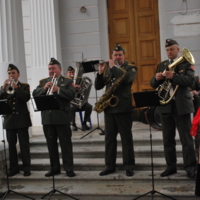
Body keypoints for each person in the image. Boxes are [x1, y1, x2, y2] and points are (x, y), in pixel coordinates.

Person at [150, 39, 197, 178]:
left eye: (172, 49)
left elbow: (191, 81)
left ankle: (190, 167)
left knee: (186, 140)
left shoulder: (186, 63)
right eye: (167, 50)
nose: (169, 52)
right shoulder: (162, 65)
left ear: (178, 50)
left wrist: (174, 76)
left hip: (181, 106)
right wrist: (156, 78)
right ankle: (171, 167)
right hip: (166, 106)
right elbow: (153, 84)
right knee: (167, 140)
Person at [95, 44, 137, 177]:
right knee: (109, 139)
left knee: (126, 139)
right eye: (115, 55)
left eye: (120, 55)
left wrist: (113, 66)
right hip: (109, 108)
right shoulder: (108, 69)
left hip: (123, 108)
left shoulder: (131, 68)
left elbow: (125, 79)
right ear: (112, 56)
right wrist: (100, 73)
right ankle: (110, 165)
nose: (117, 57)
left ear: (124, 56)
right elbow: (98, 86)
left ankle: (129, 165)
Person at [32, 58, 76, 177]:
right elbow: (34, 93)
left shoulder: (67, 81)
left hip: (62, 118)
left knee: (65, 145)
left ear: (60, 69)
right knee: (51, 145)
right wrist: (43, 89)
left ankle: (68, 168)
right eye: (49, 69)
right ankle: (54, 168)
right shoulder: (43, 82)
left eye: (53, 68)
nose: (51, 71)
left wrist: (59, 90)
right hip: (48, 119)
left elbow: (72, 95)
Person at [0, 64, 32, 177]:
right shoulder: (3, 88)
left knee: (24, 145)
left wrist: (16, 88)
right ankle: (14, 168)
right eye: (9, 73)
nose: (11, 75)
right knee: (11, 146)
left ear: (18, 74)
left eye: (13, 73)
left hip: (22, 119)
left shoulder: (24, 86)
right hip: (9, 120)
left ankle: (27, 167)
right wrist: (3, 88)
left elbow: (26, 98)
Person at [66, 66, 93, 131]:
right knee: (71, 108)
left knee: (89, 107)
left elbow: (84, 91)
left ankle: (84, 123)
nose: (72, 74)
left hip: (80, 101)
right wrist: (72, 89)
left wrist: (81, 87)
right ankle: (73, 124)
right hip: (71, 102)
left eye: (73, 72)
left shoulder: (79, 81)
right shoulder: (65, 82)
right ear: (67, 73)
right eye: (70, 72)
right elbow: (64, 92)